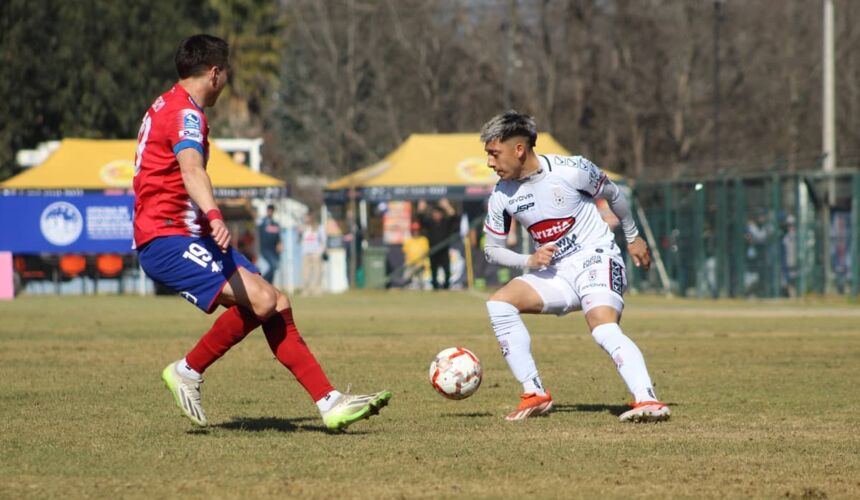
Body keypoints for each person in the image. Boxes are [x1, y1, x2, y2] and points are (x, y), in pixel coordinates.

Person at [133, 34, 390, 431]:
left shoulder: (163, 103)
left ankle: (329, 401)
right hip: (168, 238)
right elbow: (191, 169)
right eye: (226, 73)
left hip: (189, 234)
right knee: (263, 299)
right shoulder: (186, 114)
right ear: (215, 73)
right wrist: (215, 215)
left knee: (276, 302)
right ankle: (188, 370)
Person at [479, 110, 670, 423]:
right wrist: (529, 260)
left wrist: (633, 237)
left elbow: (613, 194)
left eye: (494, 153)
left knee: (603, 327)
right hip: (556, 273)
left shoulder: (572, 170)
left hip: (596, 258)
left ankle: (648, 400)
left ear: (519, 149)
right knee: (499, 305)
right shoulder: (502, 195)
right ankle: (535, 393)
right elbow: (491, 250)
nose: (490, 162)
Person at [416, 198, 459, 289]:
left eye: (438, 213)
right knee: (433, 269)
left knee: (446, 269)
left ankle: (447, 285)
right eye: (434, 213)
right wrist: (421, 207)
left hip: (444, 250)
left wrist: (447, 206)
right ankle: (435, 286)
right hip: (433, 249)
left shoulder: (446, 223)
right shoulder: (430, 223)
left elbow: (454, 217)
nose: (436, 215)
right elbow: (420, 219)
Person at [300, 212, 326, 295]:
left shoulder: (319, 227)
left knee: (317, 272)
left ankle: (317, 290)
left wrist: (319, 252)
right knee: (305, 273)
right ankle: (306, 290)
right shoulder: (304, 227)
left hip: (316, 253)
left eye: (308, 217)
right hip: (306, 253)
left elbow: (324, 240)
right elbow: (300, 240)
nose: (306, 219)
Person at [401, 221, 430, 289]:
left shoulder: (423, 240)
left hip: (420, 264)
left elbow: (425, 253)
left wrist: (421, 263)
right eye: (414, 230)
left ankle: (421, 292)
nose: (415, 232)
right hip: (410, 264)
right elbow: (405, 253)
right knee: (406, 278)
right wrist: (407, 263)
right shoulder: (408, 241)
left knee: (421, 281)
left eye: (417, 230)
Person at [257, 204, 282, 283]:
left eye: (272, 210)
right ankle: (263, 280)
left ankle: (269, 285)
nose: (270, 212)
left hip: (274, 250)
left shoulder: (275, 224)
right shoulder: (262, 222)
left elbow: (278, 237)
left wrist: (280, 244)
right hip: (265, 249)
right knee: (274, 265)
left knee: (274, 268)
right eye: (269, 210)